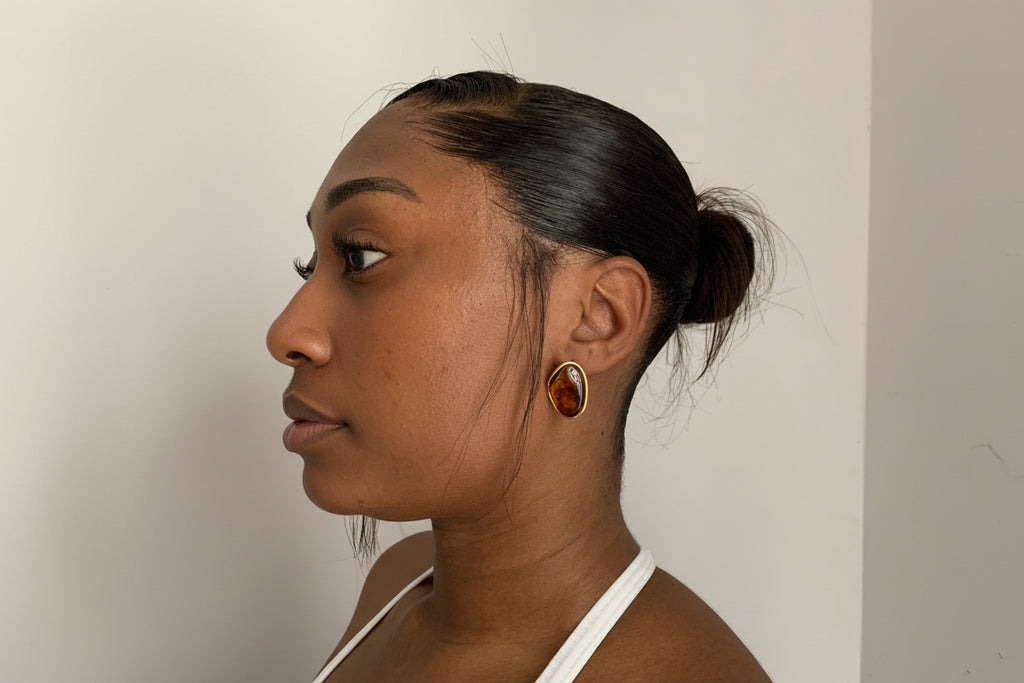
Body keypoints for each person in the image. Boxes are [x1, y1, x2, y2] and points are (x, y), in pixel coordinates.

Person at [267, 71, 774, 682]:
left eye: (361, 255)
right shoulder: (398, 583)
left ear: (598, 318)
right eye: (310, 264)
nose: (287, 334)